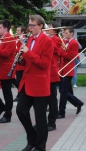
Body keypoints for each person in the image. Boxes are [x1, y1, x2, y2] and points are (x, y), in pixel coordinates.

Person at [16, 15, 53, 151]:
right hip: (27, 82)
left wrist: (28, 53)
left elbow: (44, 63)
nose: (30, 28)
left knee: (40, 118)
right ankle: (32, 138)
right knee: (20, 111)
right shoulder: (29, 38)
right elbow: (28, 61)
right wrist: (21, 59)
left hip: (39, 84)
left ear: (41, 26)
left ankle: (40, 146)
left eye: (33, 25)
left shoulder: (47, 41)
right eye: (29, 25)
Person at [58, 27, 84, 118]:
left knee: (63, 91)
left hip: (68, 69)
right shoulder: (64, 42)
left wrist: (60, 52)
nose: (64, 34)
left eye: (66, 33)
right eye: (64, 33)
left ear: (71, 33)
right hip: (62, 68)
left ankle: (61, 112)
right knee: (63, 91)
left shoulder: (74, 43)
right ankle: (78, 103)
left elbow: (71, 57)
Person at [0, 19, 16, 123]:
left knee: (7, 93)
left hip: (6, 70)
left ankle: (8, 115)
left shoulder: (10, 39)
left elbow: (6, 53)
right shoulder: (1, 38)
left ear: (6, 29)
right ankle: (1, 106)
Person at [45, 21, 62, 131]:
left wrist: (46, 39)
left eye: (49, 27)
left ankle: (52, 122)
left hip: (52, 72)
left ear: (54, 30)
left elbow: (55, 50)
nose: (47, 29)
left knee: (52, 100)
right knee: (47, 99)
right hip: (46, 73)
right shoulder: (50, 38)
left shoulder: (56, 39)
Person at [12, 25, 26, 102]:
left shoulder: (23, 39)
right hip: (17, 64)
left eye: (18, 31)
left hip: (21, 64)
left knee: (19, 81)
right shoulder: (16, 39)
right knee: (18, 80)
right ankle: (20, 94)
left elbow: (21, 50)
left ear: (22, 32)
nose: (16, 32)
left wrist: (14, 50)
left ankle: (20, 95)